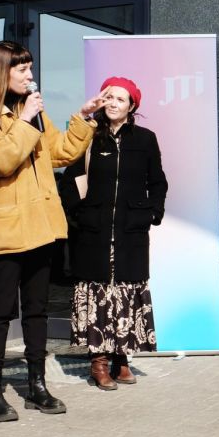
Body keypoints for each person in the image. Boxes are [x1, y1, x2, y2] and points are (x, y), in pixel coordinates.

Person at [0, 40, 103, 422]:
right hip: (7, 225)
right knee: (0, 311)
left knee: (37, 310)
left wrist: (84, 118)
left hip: (42, 225)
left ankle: (37, 385)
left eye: (30, 68)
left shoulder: (31, 110)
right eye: (22, 69)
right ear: (1, 71)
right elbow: (0, 159)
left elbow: (59, 153)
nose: (30, 75)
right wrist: (24, 121)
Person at [61, 77, 167, 390]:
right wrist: (79, 215)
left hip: (130, 231)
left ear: (132, 105)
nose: (113, 103)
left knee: (126, 292)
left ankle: (122, 358)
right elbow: (71, 178)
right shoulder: (90, 137)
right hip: (94, 230)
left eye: (120, 99)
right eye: (108, 97)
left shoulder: (145, 139)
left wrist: (151, 213)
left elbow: (157, 182)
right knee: (97, 295)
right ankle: (99, 362)